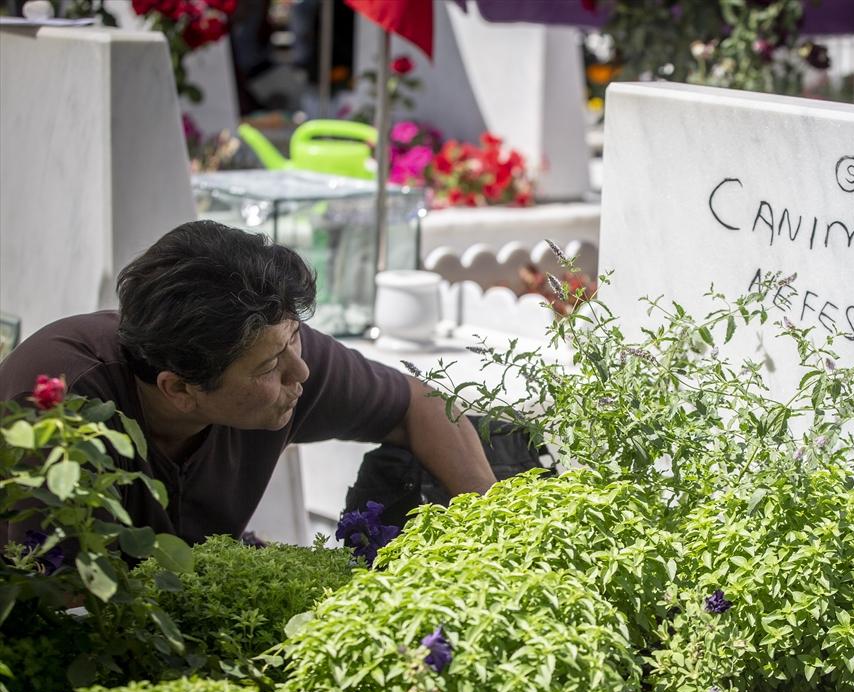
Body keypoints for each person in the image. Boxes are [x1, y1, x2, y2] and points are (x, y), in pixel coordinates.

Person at [0, 220, 496, 545]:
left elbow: (420, 403)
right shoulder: (59, 407)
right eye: (270, 366)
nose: (301, 372)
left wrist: (501, 534)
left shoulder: (270, 342)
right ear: (179, 389)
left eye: (295, 338)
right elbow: (60, 596)